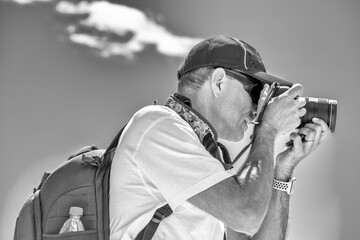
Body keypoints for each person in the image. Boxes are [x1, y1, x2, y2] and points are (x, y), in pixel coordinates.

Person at [109, 35, 330, 240]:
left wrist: (282, 171)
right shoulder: (157, 125)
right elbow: (246, 216)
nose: (257, 109)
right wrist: (268, 130)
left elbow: (249, 224)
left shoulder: (210, 160)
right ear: (219, 82)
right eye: (255, 92)